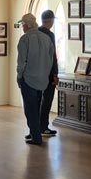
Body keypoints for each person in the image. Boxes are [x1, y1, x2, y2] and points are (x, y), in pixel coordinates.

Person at [16, 13, 54, 145]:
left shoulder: (25, 39)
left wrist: (19, 76)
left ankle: (36, 137)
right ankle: (34, 133)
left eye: (22, 25)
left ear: (26, 25)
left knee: (30, 109)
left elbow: (21, 62)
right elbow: (50, 60)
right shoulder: (46, 38)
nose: (22, 27)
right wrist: (45, 74)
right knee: (37, 107)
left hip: (28, 79)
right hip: (42, 79)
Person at [38, 9, 59, 137]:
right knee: (47, 100)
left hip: (36, 72)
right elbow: (53, 56)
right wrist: (55, 74)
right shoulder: (49, 35)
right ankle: (43, 127)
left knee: (36, 101)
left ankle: (35, 127)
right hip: (48, 72)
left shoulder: (35, 33)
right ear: (50, 21)